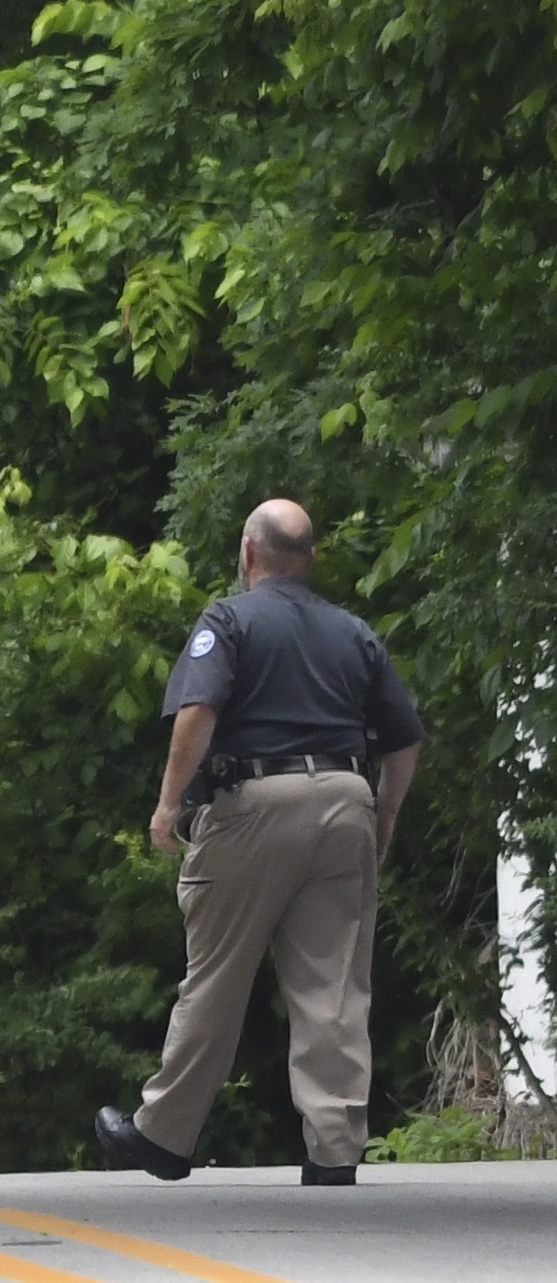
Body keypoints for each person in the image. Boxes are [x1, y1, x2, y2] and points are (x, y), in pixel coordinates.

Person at [97, 500, 423, 1187]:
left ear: (248, 552)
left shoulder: (230, 620)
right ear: (309, 559)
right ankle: (334, 1152)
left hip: (253, 805)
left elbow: (198, 711)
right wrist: (384, 817)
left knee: (216, 975)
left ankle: (164, 1136)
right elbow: (403, 737)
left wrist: (166, 805)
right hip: (344, 802)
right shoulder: (354, 632)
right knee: (333, 985)